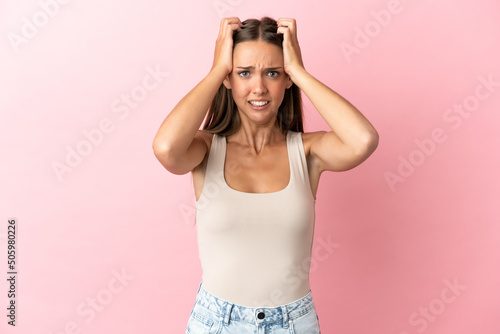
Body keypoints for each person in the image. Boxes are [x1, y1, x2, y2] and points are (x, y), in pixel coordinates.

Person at [153, 16, 378, 334]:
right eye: (244, 72)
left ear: (286, 78)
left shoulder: (308, 151)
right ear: (229, 78)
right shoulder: (205, 149)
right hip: (217, 322)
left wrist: (299, 72)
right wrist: (217, 70)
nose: (258, 88)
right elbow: (165, 148)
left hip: (294, 322)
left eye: (273, 73)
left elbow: (363, 140)